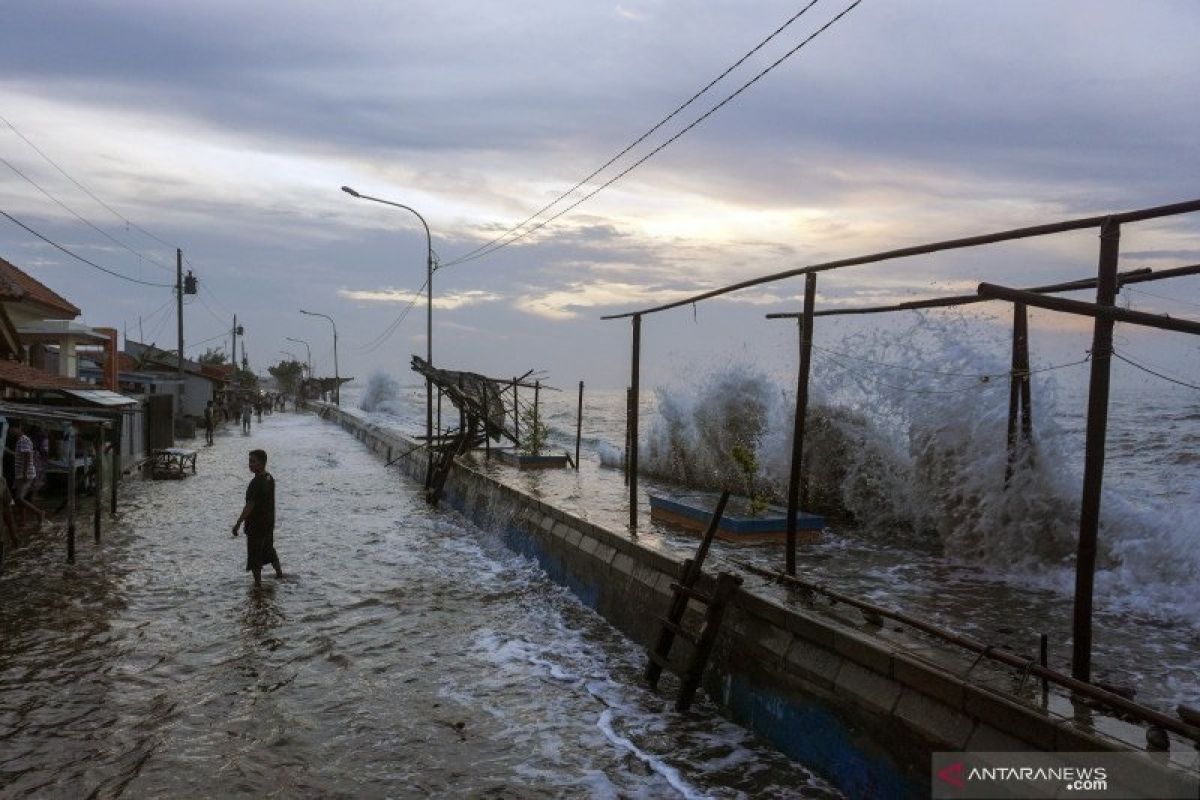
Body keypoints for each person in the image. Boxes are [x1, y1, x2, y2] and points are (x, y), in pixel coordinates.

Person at [231, 448, 282, 587]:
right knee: (269, 550)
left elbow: (249, 506)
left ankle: (257, 587)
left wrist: (238, 523)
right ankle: (280, 575)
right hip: (268, 524)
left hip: (256, 526)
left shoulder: (255, 483)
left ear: (262, 463)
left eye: (253, 462)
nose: (250, 464)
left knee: (255, 557)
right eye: (249, 461)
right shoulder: (269, 478)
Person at [8, 423, 44, 528]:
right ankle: (23, 521)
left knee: (19, 498)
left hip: (25, 474)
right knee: (20, 499)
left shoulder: (23, 440)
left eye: (12, 429)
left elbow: (28, 456)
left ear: (19, 427)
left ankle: (39, 513)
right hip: (21, 473)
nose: (11, 431)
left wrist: (24, 473)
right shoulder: (21, 440)